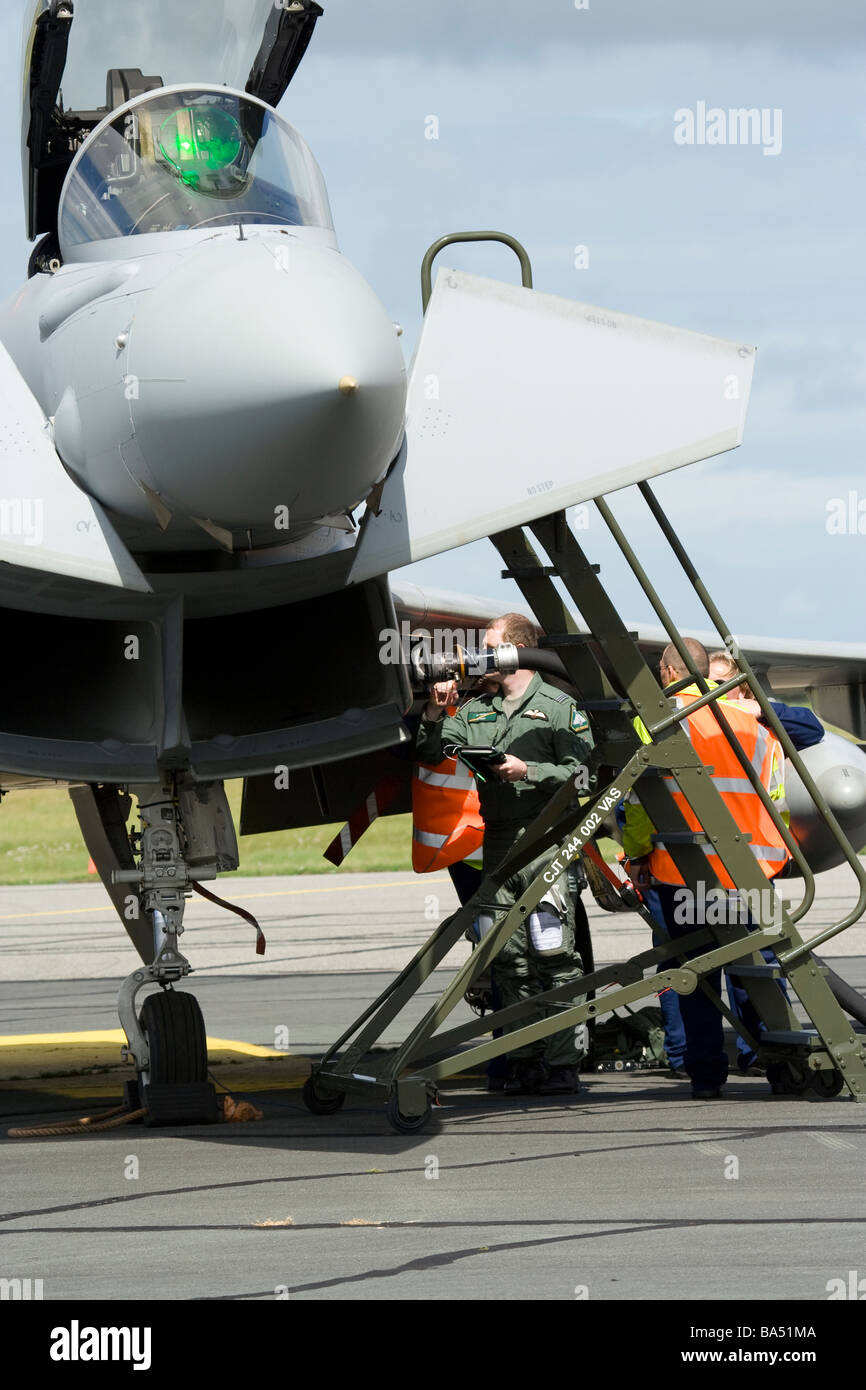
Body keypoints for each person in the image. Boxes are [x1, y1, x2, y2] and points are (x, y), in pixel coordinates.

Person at [417, 612, 593, 1096]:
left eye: (488, 646)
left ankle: (563, 1062)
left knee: (552, 951)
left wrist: (529, 771)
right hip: (498, 843)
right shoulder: (476, 711)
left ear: (515, 649)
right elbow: (434, 754)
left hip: (547, 842)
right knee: (505, 958)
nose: (478, 655)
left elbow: (587, 776)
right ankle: (523, 1059)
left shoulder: (560, 708)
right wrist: (435, 714)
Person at [622, 639, 790, 1098]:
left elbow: (638, 804)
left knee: (693, 976)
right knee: (756, 969)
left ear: (667, 672)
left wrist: (636, 855)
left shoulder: (652, 723)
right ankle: (779, 1062)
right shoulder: (751, 720)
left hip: (683, 875)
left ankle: (705, 1075)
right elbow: (775, 798)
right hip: (751, 869)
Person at [708, 652, 824, 751]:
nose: (708, 689)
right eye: (703, 683)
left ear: (742, 691)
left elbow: (813, 731)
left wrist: (763, 710)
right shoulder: (693, 718)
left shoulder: (763, 725)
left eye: (718, 684)